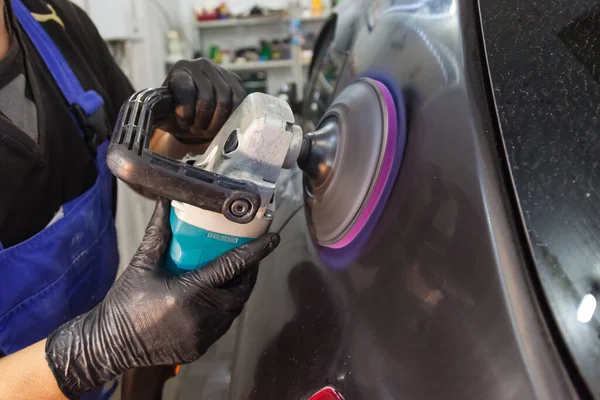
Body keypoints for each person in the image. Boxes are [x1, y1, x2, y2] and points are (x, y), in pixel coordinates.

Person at [0, 0, 280, 399]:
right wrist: (92, 352)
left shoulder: (55, 21)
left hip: (99, 383)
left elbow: (143, 161)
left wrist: (191, 130)